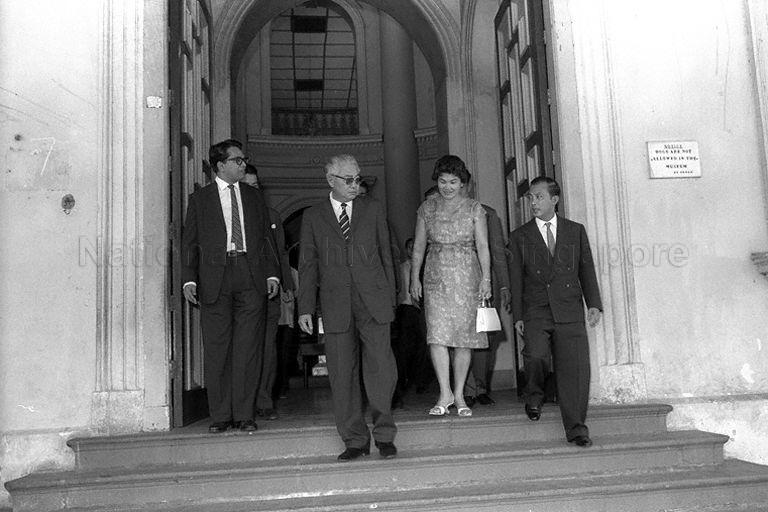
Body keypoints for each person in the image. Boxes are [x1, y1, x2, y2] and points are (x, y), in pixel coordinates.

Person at [297, 154, 399, 461]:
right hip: (335, 303)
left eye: (358, 179)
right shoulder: (313, 216)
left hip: (374, 302)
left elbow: (386, 255)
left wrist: (391, 298)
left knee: (381, 370)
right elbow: (308, 264)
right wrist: (305, 308)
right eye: (349, 180)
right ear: (331, 180)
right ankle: (354, 439)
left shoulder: (374, 209)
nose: (356, 185)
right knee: (342, 373)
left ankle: (384, 435)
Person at [181, 139, 280, 434]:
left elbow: (266, 239)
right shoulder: (200, 200)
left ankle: (245, 414)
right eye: (237, 160)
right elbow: (190, 243)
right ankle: (221, 415)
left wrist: (272, 274)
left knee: (248, 349)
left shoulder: (253, 197)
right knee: (217, 349)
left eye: (243, 160)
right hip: (214, 279)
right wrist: (189, 277)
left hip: (250, 275)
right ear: (220, 165)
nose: (243, 164)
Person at [508, 176, 602, 448]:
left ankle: (576, 429)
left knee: (575, 371)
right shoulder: (519, 236)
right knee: (535, 355)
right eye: (531, 198)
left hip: (569, 307)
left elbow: (586, 268)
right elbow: (516, 280)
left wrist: (593, 303)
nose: (534, 202)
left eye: (538, 197)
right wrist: (518, 317)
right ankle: (534, 394)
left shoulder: (575, 231)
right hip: (536, 308)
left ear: (554, 199)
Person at [410, 155, 492, 418]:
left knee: (463, 339)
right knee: (437, 335)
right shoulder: (426, 209)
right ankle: (444, 393)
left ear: (462, 183)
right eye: (443, 181)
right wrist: (414, 277)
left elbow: (483, 246)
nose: (447, 187)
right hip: (435, 277)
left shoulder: (475, 209)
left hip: (467, 277)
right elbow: (419, 247)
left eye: (453, 182)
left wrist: (486, 279)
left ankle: (459, 394)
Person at [241, 164, 295, 420]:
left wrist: (288, 286)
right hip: (240, 294)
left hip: (269, 294)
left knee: (267, 349)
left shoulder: (272, 216)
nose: (253, 191)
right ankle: (241, 403)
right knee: (243, 349)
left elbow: (281, 254)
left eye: (255, 186)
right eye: (247, 186)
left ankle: (263, 401)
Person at [463, 203, 511, 407]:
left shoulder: (487, 213)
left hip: (485, 280)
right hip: (454, 281)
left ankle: (479, 387)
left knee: (484, 334)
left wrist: (504, 286)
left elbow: (498, 250)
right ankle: (464, 389)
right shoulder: (438, 210)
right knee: (459, 337)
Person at [392, 238, 431, 400]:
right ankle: (403, 380)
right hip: (405, 309)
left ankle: (421, 380)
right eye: (409, 247)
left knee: (423, 345)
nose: (412, 250)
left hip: (421, 309)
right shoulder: (401, 267)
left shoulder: (426, 267)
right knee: (403, 347)